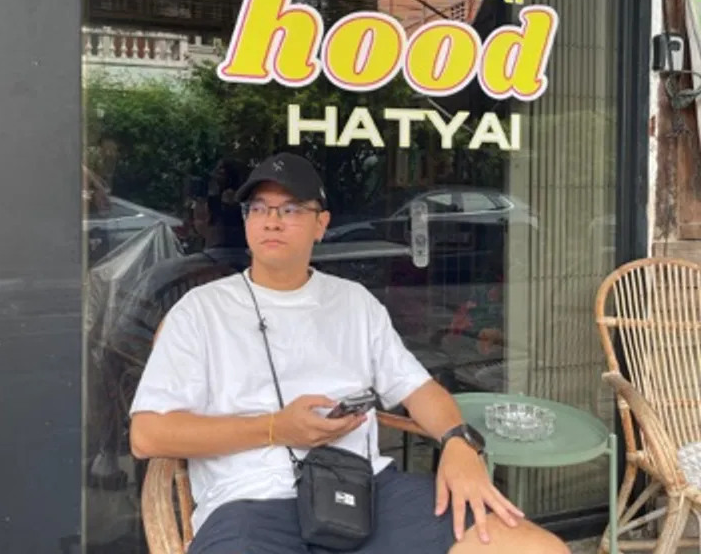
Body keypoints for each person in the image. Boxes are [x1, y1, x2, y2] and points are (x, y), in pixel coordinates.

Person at [129, 152, 570, 554]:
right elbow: (148, 435)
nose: (271, 221)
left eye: (290, 209)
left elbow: (419, 389)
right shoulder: (200, 311)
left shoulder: (354, 302)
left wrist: (458, 442)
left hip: (366, 493)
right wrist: (275, 429)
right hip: (250, 508)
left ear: (321, 224)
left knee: (537, 548)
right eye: (259, 208)